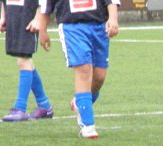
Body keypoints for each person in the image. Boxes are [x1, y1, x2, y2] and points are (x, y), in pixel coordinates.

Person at [28, 0, 119, 138]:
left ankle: (78, 102)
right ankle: (88, 125)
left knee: (99, 77)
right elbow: (46, 4)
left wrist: (113, 18)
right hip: (71, 26)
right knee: (84, 70)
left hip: (100, 25)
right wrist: (43, 30)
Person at [0, 0, 53, 122]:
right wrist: (3, 17)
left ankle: (20, 108)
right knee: (25, 62)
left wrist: (38, 18)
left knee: (23, 61)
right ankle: (45, 106)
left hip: (29, 21)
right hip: (13, 20)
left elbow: (43, 2)